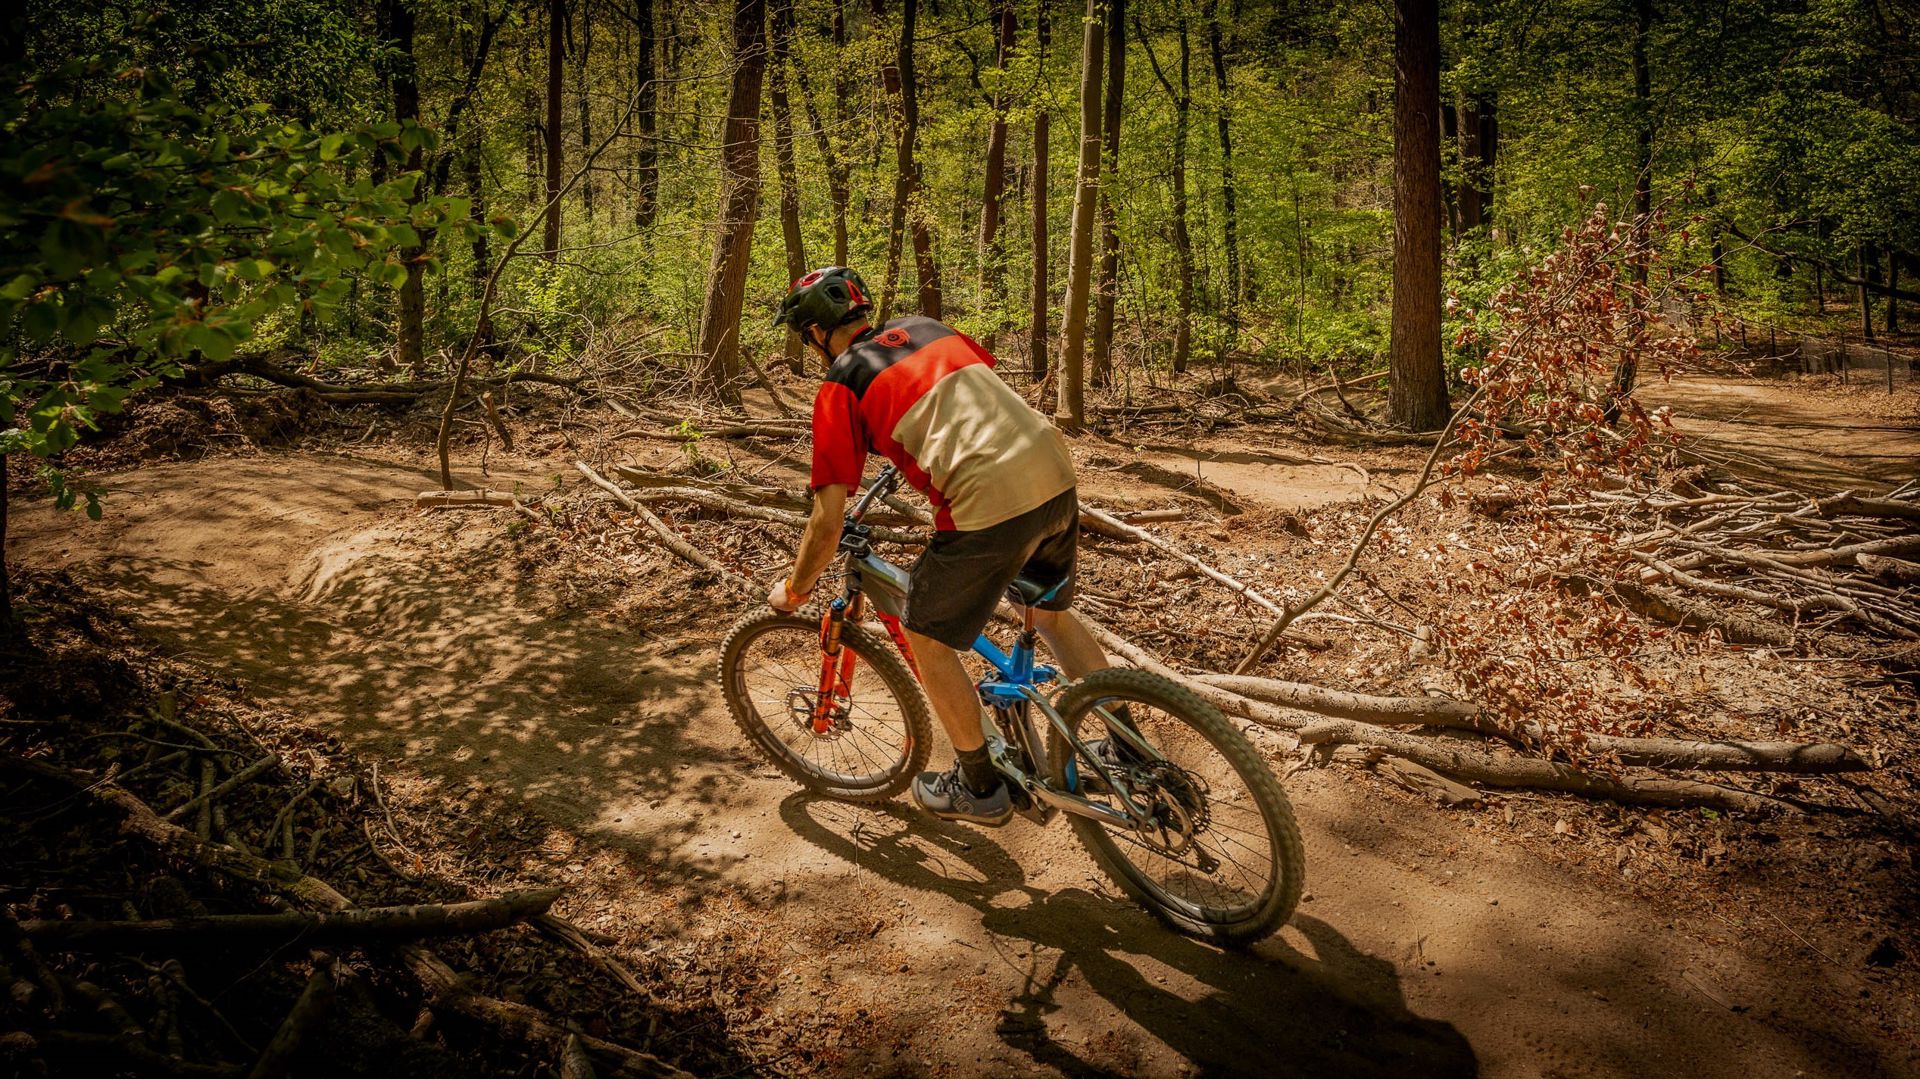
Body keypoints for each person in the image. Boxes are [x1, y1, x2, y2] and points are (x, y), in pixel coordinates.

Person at [766, 266, 1116, 826]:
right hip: (1053, 472)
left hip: (988, 497)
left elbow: (827, 521)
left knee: (925, 634)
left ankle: (980, 787)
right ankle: (1125, 747)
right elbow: (963, 401)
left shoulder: (841, 383)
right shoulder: (927, 328)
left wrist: (795, 589)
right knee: (1049, 615)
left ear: (814, 333)